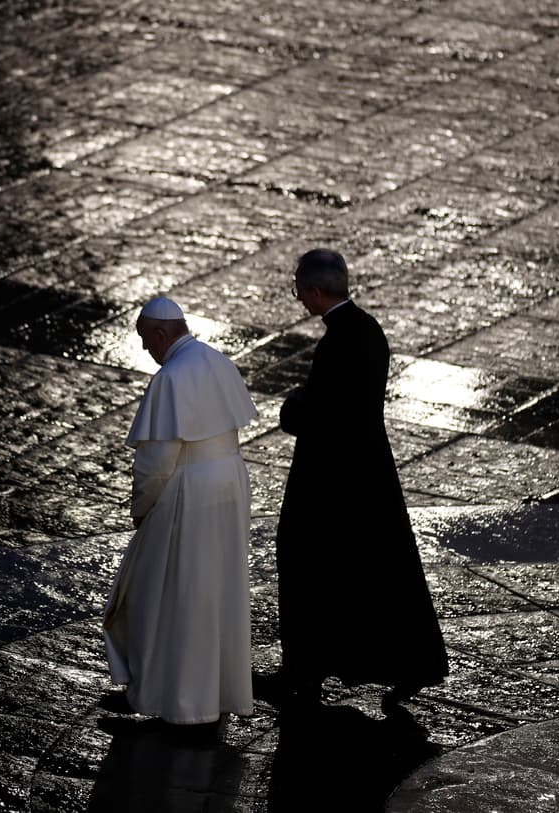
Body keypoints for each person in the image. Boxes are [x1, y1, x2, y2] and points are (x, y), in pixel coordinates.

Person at [266, 248, 448, 705]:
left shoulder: (337, 342)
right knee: (379, 568)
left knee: (309, 564)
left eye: (300, 291)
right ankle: (407, 663)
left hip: (328, 476)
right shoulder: (368, 331)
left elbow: (320, 414)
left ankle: (305, 669)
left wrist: (291, 408)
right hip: (367, 472)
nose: (300, 300)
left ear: (315, 290)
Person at [102, 296, 259, 724]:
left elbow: (156, 462)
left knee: (163, 593)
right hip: (229, 481)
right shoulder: (218, 362)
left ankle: (160, 695)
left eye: (144, 340)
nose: (145, 350)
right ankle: (216, 695)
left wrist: (141, 507)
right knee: (215, 590)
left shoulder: (169, 378)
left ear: (159, 334)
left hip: (188, 488)